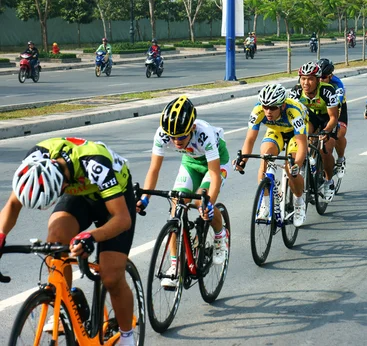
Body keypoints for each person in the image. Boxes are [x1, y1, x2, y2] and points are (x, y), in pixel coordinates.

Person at [0, 137, 137, 345]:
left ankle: (128, 336)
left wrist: (91, 236)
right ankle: (66, 303)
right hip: (80, 195)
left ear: (62, 184)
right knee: (55, 240)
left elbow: (122, 219)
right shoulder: (34, 164)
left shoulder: (95, 164)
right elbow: (12, 204)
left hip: (114, 202)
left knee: (111, 276)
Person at [137, 96, 230, 287]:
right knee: (176, 207)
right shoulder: (163, 134)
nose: (176, 141)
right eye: (173, 137)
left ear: (192, 129)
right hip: (190, 162)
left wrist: (208, 204)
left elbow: (214, 175)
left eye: (181, 136)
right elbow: (154, 170)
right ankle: (175, 265)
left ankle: (221, 235)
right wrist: (145, 198)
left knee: (200, 203)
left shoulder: (204, 133)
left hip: (215, 162)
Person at [234, 84, 308, 226]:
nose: (268, 111)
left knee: (290, 166)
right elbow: (250, 139)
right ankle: (264, 205)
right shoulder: (258, 111)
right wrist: (243, 160)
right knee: (265, 157)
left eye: (273, 107)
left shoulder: (294, 112)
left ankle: (299, 202)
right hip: (276, 131)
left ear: (283, 106)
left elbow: (302, 146)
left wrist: (296, 165)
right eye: (265, 106)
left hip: (295, 134)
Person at [289, 62, 339, 202]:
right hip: (310, 118)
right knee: (304, 137)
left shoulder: (327, 90)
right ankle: (308, 160)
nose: (306, 82)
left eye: (310, 79)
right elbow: (291, 116)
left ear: (318, 80)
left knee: (325, 149)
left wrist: (326, 131)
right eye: (303, 78)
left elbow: (334, 117)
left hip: (327, 119)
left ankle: (329, 181)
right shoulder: (296, 91)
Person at [318, 58, 348, 178]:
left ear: (330, 76)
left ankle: (340, 159)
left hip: (337, 108)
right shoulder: (313, 81)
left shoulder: (337, 84)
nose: (320, 80)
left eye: (324, 77)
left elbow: (338, 105)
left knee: (338, 133)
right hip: (321, 108)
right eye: (319, 76)